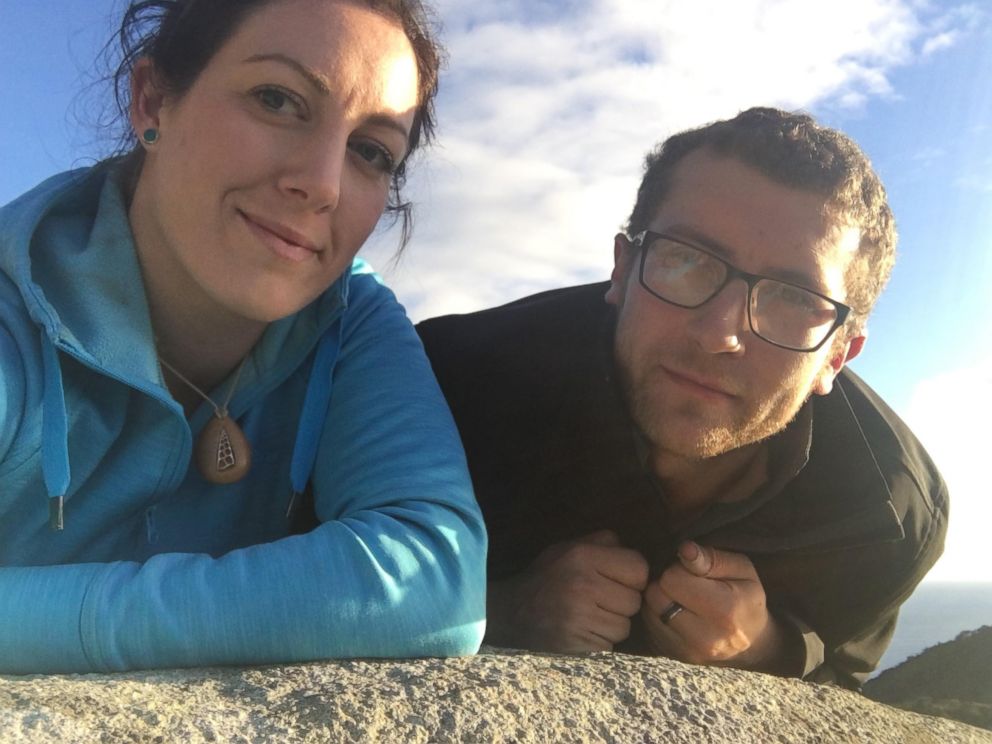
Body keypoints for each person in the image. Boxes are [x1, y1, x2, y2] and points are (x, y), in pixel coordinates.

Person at [0, 0, 486, 674]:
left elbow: (433, 580)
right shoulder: (14, 315)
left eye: (372, 151)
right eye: (277, 100)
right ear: (153, 102)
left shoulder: (350, 315)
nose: (320, 185)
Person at [417, 107, 947, 689]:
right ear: (621, 270)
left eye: (794, 299)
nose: (720, 333)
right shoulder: (453, 382)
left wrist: (770, 647)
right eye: (687, 260)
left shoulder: (887, 513)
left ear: (837, 357)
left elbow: (843, 666)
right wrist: (499, 605)